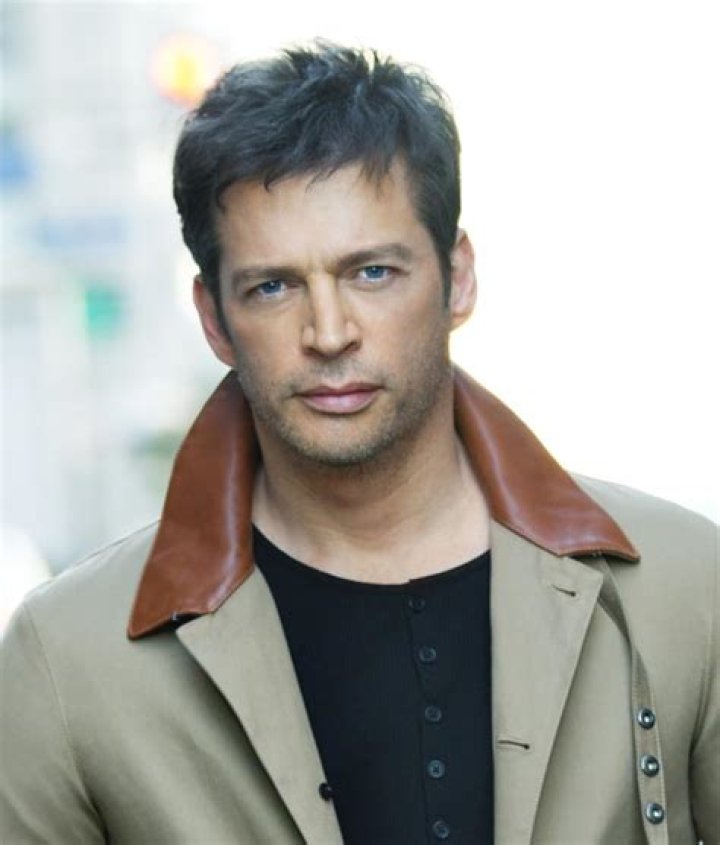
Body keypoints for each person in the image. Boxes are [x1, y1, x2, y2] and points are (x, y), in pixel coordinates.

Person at [1, 43, 717, 845]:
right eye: (273, 286)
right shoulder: (69, 657)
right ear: (214, 319)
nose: (329, 331)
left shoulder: (685, 589)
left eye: (372, 272)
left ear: (458, 277)